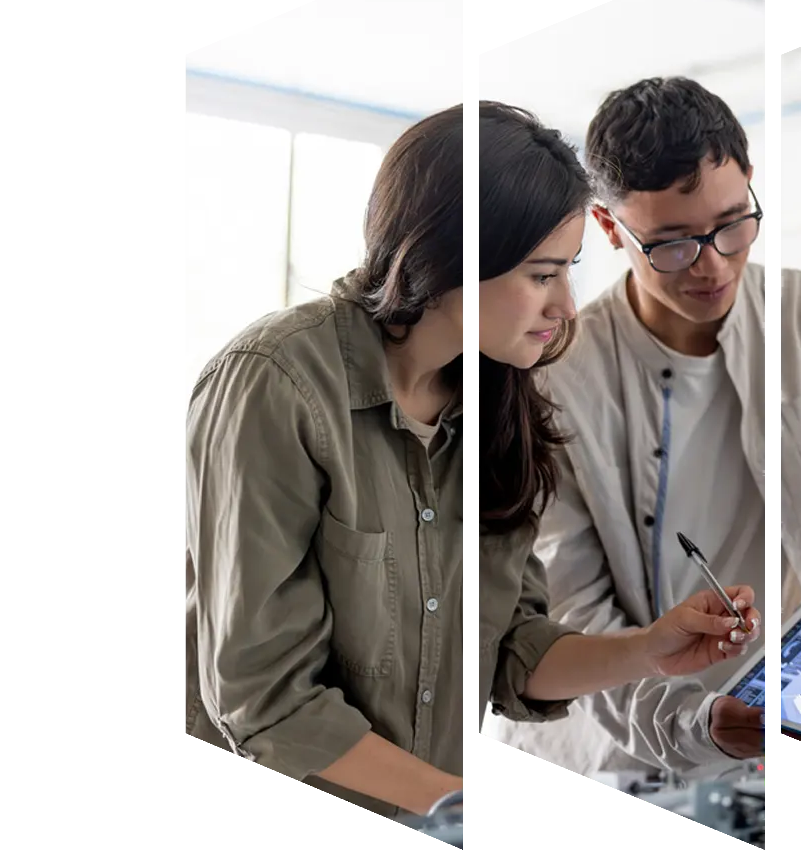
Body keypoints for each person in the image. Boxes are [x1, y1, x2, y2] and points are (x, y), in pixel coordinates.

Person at [181, 101, 762, 820]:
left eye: (568, 271)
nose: (566, 306)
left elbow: (515, 649)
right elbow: (264, 702)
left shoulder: (496, 399)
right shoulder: (276, 383)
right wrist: (478, 807)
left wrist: (650, 649)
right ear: (449, 256)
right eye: (542, 275)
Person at [483, 77, 801, 779]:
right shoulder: (553, 377)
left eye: (731, 225)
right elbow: (571, 624)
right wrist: (697, 730)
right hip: (623, 753)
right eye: (670, 245)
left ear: (750, 183)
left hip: (800, 721)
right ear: (608, 228)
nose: (712, 265)